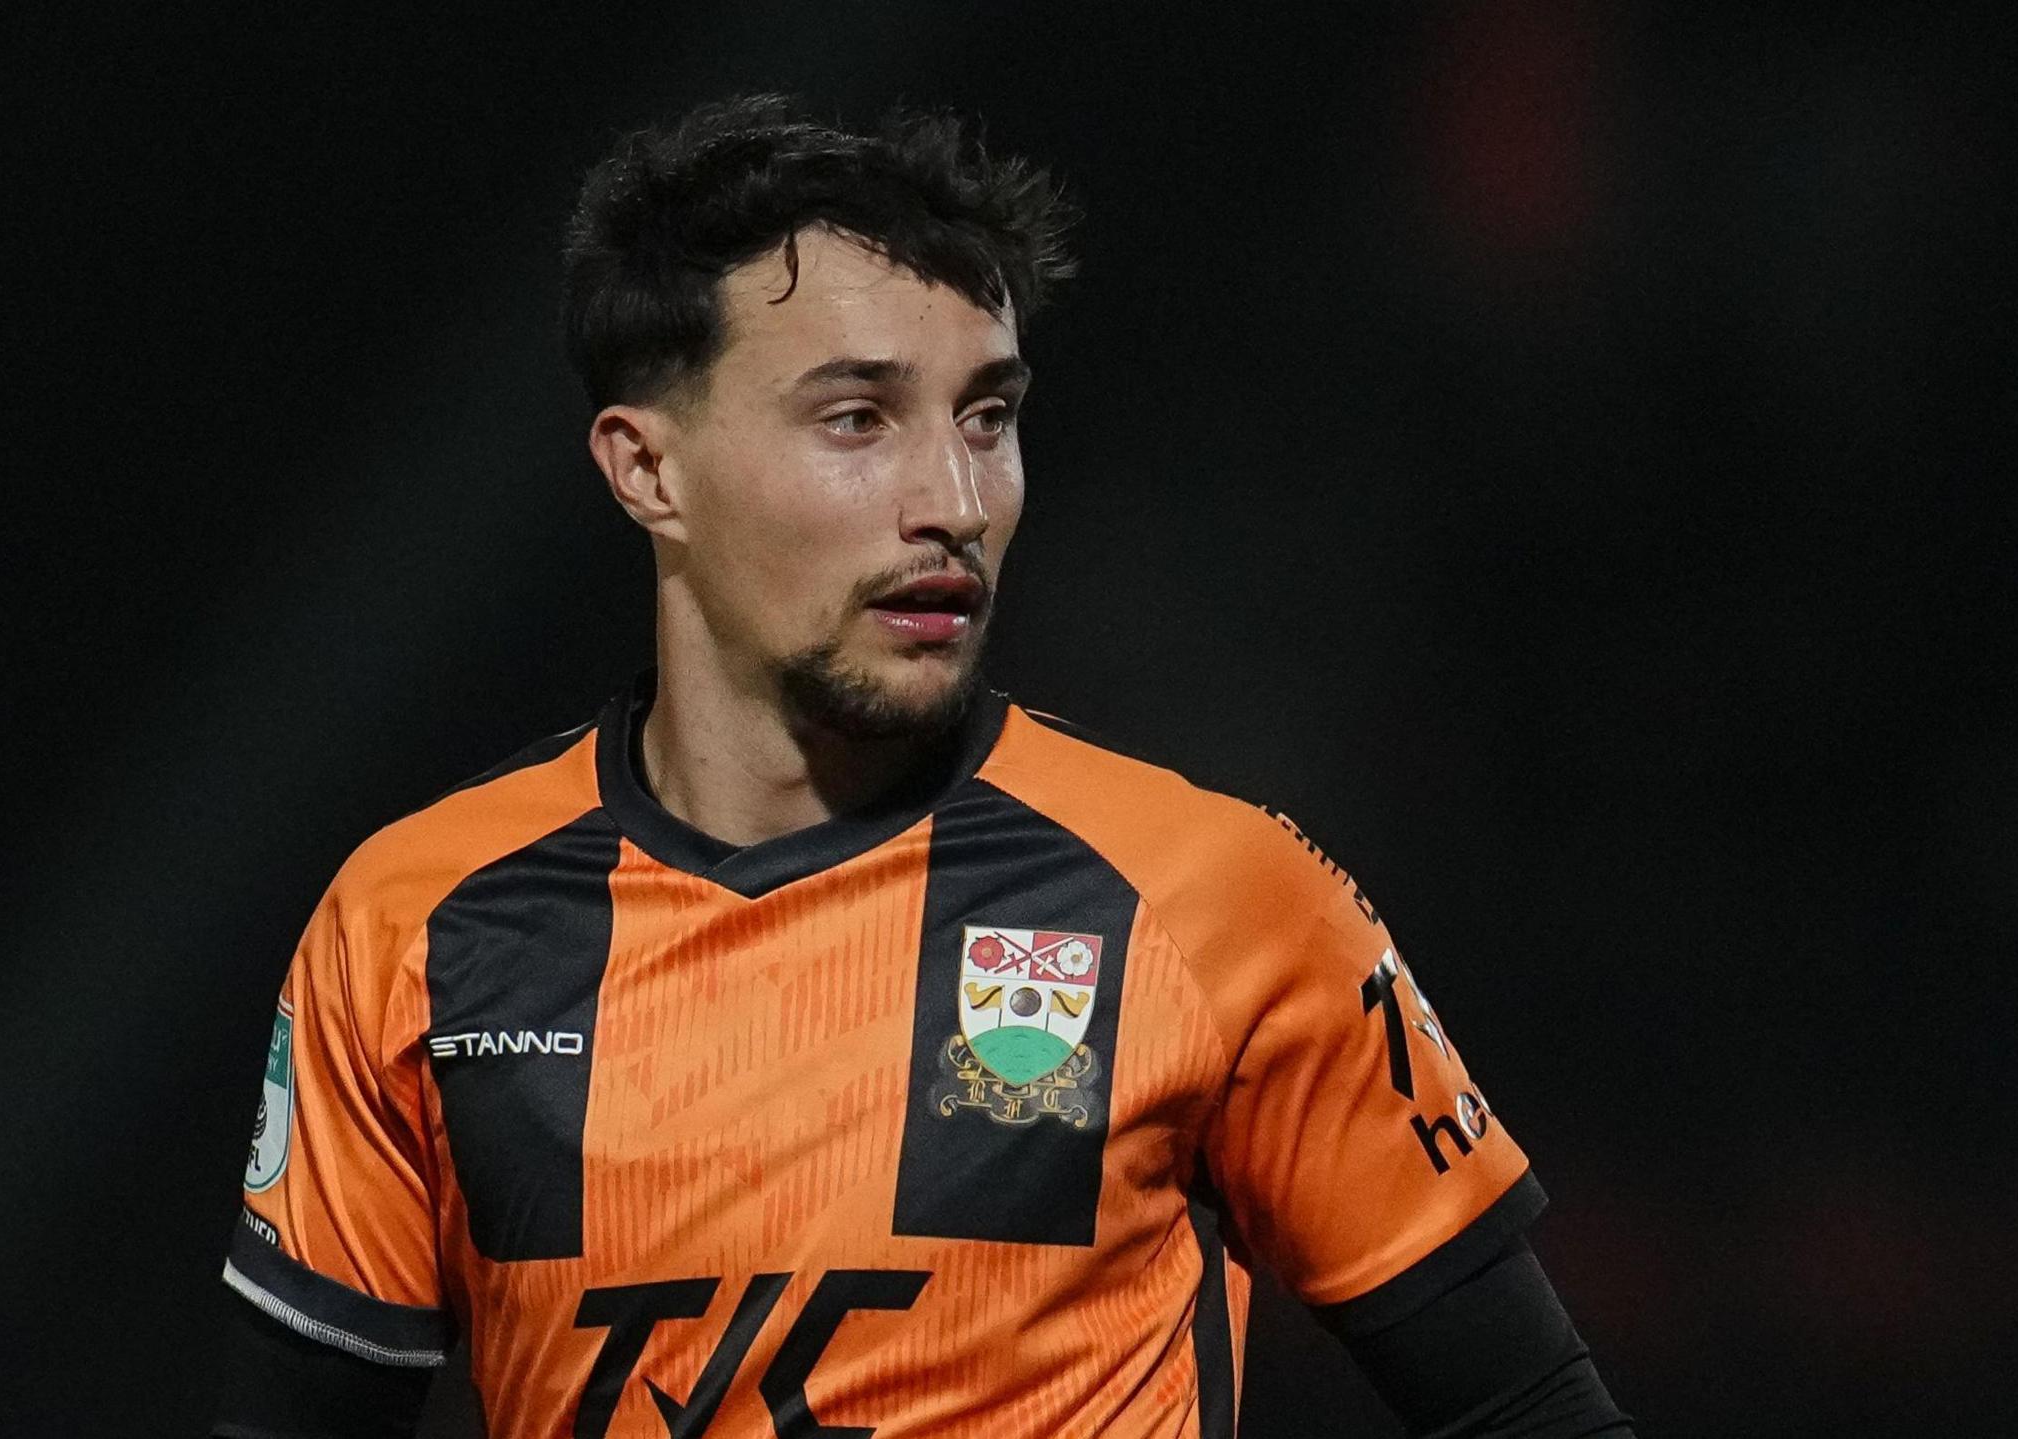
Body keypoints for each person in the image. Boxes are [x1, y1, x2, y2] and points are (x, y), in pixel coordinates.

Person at [211, 93, 1633, 1439]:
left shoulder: (1217, 904)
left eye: (988, 418)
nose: (952, 501)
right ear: (649, 471)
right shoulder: (414, 929)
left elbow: (1529, 1416)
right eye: (858, 419)